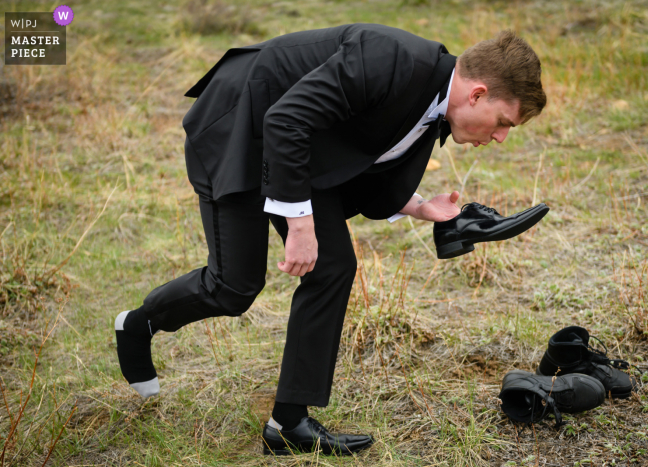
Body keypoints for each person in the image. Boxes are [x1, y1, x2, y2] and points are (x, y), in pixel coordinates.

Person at [114, 23, 546, 456]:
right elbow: (285, 118)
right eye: (504, 122)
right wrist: (300, 227)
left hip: (295, 147)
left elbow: (358, 151)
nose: (501, 137)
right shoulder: (391, 59)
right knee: (234, 287)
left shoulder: (435, 103)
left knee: (334, 266)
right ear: (477, 94)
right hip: (238, 123)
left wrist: (418, 206)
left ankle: (287, 425)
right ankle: (139, 324)